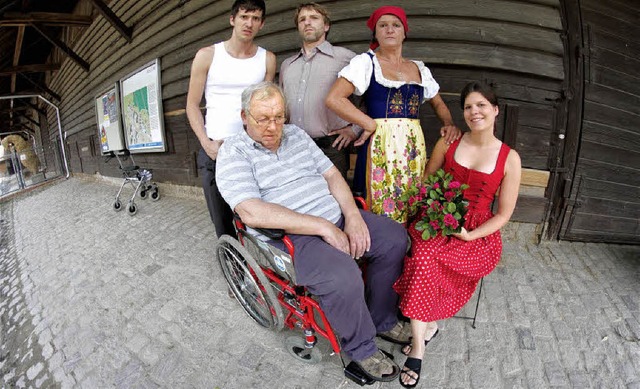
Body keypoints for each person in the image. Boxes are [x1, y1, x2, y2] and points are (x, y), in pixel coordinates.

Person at [216, 81, 410, 382]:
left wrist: (352, 216)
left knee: (395, 239)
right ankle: (360, 348)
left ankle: (381, 318)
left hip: (337, 215)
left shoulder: (296, 135)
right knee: (342, 276)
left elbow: (332, 175)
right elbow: (250, 210)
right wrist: (321, 226)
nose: (272, 126)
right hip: (294, 237)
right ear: (244, 117)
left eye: (278, 117)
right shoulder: (233, 152)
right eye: (262, 119)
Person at [393, 82, 522, 388]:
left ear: (495, 110)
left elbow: (503, 214)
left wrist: (472, 235)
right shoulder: (449, 142)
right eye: (468, 107)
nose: (474, 112)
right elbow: (427, 181)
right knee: (424, 255)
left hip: (475, 233)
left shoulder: (509, 158)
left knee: (428, 260)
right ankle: (422, 341)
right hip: (437, 219)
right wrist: (430, 205)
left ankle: (425, 326)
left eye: (481, 106)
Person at [325, 5, 460, 223]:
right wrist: (367, 123)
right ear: (375, 33)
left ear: (404, 33)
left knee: (410, 197)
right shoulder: (366, 63)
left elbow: (438, 103)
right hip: (380, 143)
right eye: (383, 25)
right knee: (378, 199)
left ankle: (405, 248)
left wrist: (449, 122)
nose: (390, 30)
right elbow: (334, 98)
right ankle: (379, 248)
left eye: (396, 25)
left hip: (412, 147)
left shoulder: (419, 68)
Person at [186, 0, 276, 238]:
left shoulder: (267, 59)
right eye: (244, 16)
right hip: (217, 147)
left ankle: (261, 260)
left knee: (257, 211)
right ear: (232, 19)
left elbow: (266, 103)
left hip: (252, 147)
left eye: (255, 18)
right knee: (221, 217)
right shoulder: (207, 55)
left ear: (262, 24)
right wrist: (206, 143)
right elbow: (192, 105)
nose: (249, 23)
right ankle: (232, 263)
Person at [279, 2, 358, 180]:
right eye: (302, 20)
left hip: (331, 148)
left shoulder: (346, 58)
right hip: (293, 147)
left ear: (326, 25)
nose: (307, 23)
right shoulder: (287, 65)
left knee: (334, 202)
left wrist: (355, 129)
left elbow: (366, 99)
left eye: (314, 18)